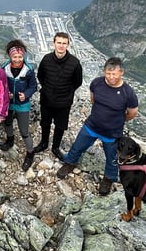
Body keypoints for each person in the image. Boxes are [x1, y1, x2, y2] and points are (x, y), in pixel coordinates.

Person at [57, 57, 139, 195]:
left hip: (112, 133)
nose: (111, 77)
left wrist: (117, 119)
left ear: (121, 73)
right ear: (104, 71)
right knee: (77, 146)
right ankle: (70, 163)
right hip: (92, 125)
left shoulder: (128, 93)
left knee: (112, 157)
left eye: (114, 74)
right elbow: (93, 99)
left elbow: (132, 113)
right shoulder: (97, 83)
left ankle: (109, 178)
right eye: (108, 73)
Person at [35, 32, 83, 159]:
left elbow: (77, 82)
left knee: (60, 125)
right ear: (54, 43)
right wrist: (47, 88)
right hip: (46, 99)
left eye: (64, 43)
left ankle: (55, 147)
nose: (61, 46)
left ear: (68, 45)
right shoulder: (46, 59)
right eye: (59, 43)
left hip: (64, 101)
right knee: (45, 123)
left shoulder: (75, 63)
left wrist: (67, 92)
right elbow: (41, 76)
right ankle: (43, 143)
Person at [1, 39, 38, 171]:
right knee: (8, 123)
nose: (17, 59)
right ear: (10, 56)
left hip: (23, 105)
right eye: (14, 56)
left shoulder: (28, 70)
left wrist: (26, 94)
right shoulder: (4, 69)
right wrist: (7, 93)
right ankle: (10, 140)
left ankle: (30, 153)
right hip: (9, 103)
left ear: (23, 56)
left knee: (24, 131)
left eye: (20, 56)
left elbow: (33, 86)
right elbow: (0, 85)